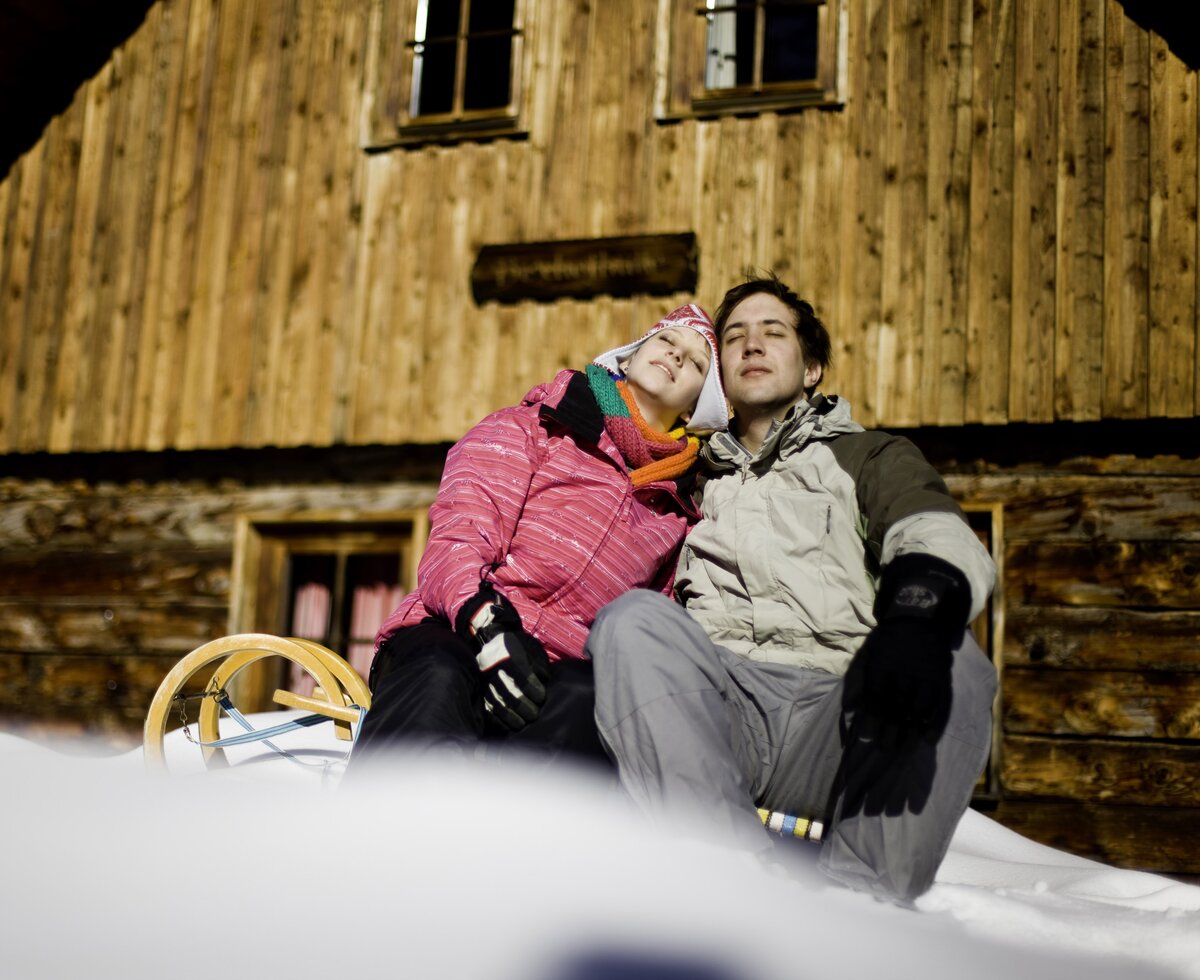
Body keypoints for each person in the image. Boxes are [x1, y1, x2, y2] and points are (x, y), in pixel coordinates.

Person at [586, 276, 997, 903]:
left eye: (772, 334)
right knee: (632, 622)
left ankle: (863, 907)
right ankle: (728, 888)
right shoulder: (681, 476)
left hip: (846, 715)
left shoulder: (868, 456)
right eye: (734, 337)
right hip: (722, 714)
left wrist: (917, 619)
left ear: (811, 368)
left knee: (960, 661)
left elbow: (934, 532)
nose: (751, 345)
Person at [349, 304, 727, 772]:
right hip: (458, 626)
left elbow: (648, 625)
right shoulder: (534, 427)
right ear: (625, 361)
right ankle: (383, 838)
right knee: (439, 677)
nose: (675, 356)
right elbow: (459, 537)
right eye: (666, 341)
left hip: (560, 671)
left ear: (694, 406)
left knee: (590, 718)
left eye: (695, 362)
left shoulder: (677, 512)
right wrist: (487, 625)